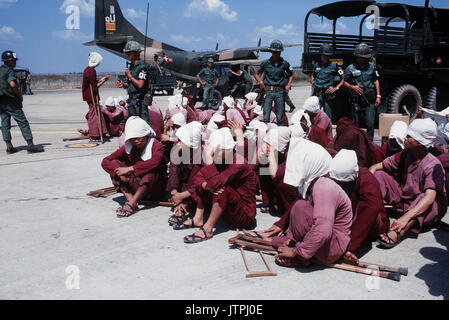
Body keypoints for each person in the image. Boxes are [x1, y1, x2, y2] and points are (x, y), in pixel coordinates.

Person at [272, 139, 353, 267]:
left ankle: (303, 258)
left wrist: (296, 251)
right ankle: (304, 252)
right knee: (276, 241)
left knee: (300, 207)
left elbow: (323, 229)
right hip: (324, 241)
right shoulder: (312, 183)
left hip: (332, 246)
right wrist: (290, 239)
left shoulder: (324, 186)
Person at [370, 118, 447, 248]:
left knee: (425, 197)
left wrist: (404, 219)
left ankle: (399, 231)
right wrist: (369, 188)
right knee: (379, 176)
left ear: (420, 143)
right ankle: (375, 215)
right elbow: (376, 167)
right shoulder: (406, 155)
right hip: (406, 199)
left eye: (410, 136)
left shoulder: (433, 165)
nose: (405, 138)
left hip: (429, 208)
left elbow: (429, 198)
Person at [182, 127, 257, 243]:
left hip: (244, 216)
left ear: (229, 149)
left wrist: (208, 160)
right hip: (229, 209)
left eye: (218, 150)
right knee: (205, 182)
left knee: (222, 189)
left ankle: (208, 229)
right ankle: (198, 218)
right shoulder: (221, 160)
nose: (213, 153)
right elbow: (198, 177)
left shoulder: (239, 163)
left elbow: (216, 184)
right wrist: (206, 186)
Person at [329, 149, 389, 264]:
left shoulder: (366, 178)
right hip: (346, 217)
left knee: (367, 208)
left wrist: (350, 247)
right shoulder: (333, 172)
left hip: (368, 224)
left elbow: (370, 210)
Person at [101, 117, 167, 218]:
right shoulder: (129, 147)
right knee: (115, 164)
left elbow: (155, 161)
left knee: (152, 171)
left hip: (154, 189)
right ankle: (130, 198)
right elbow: (105, 161)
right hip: (135, 184)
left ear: (145, 135)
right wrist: (119, 172)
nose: (135, 141)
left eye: (138, 137)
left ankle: (132, 203)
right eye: (132, 139)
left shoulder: (156, 145)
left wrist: (131, 169)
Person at [0, 50, 43, 154]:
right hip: (11, 102)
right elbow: (13, 84)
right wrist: (19, 95)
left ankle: (9, 147)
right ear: (8, 61)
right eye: (13, 60)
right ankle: (31, 146)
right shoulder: (9, 71)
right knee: (23, 122)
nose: (15, 63)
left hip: (1, 102)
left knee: (5, 123)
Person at [167, 121, 204, 227]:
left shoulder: (202, 155)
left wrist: (182, 196)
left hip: (195, 189)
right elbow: (174, 172)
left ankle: (185, 206)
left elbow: (199, 182)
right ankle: (180, 205)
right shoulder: (178, 151)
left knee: (197, 179)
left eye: (181, 141)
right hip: (183, 187)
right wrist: (175, 193)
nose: (178, 143)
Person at [343, 43, 381, 140]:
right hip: (356, 99)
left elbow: (376, 80)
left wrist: (378, 96)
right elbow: (344, 82)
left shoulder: (371, 66)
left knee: (370, 124)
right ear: (357, 56)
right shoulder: (350, 68)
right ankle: (357, 144)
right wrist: (353, 87)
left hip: (369, 98)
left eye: (365, 57)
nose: (364, 59)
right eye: (362, 57)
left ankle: (370, 144)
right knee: (355, 124)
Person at [254, 40, 293, 126]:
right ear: (271, 52)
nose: (276, 54)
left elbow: (291, 74)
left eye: (278, 52)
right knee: (266, 115)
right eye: (274, 52)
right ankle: (265, 134)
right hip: (268, 92)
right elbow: (256, 74)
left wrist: (288, 84)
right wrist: (260, 82)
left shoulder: (285, 63)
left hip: (279, 92)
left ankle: (280, 133)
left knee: (280, 116)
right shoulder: (266, 63)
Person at [117, 41, 151, 126]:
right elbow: (131, 85)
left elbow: (140, 85)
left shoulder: (142, 67)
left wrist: (129, 76)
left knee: (144, 124)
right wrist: (124, 85)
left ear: (136, 53)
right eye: (127, 52)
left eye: (129, 52)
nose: (127, 54)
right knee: (132, 124)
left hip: (140, 101)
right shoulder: (132, 67)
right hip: (132, 100)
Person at [311, 43, 344, 122]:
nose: (325, 57)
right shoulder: (316, 65)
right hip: (317, 94)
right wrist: (313, 83)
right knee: (314, 115)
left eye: (327, 55)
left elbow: (343, 77)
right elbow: (313, 75)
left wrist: (336, 88)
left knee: (327, 117)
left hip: (328, 94)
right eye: (324, 55)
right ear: (321, 55)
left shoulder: (334, 66)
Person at [82, 52, 110, 141]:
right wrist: (104, 81)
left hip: (90, 95)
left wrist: (102, 79)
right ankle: (94, 134)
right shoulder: (91, 71)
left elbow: (94, 82)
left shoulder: (89, 69)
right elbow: (94, 87)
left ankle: (102, 131)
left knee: (98, 112)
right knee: (94, 114)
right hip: (91, 95)